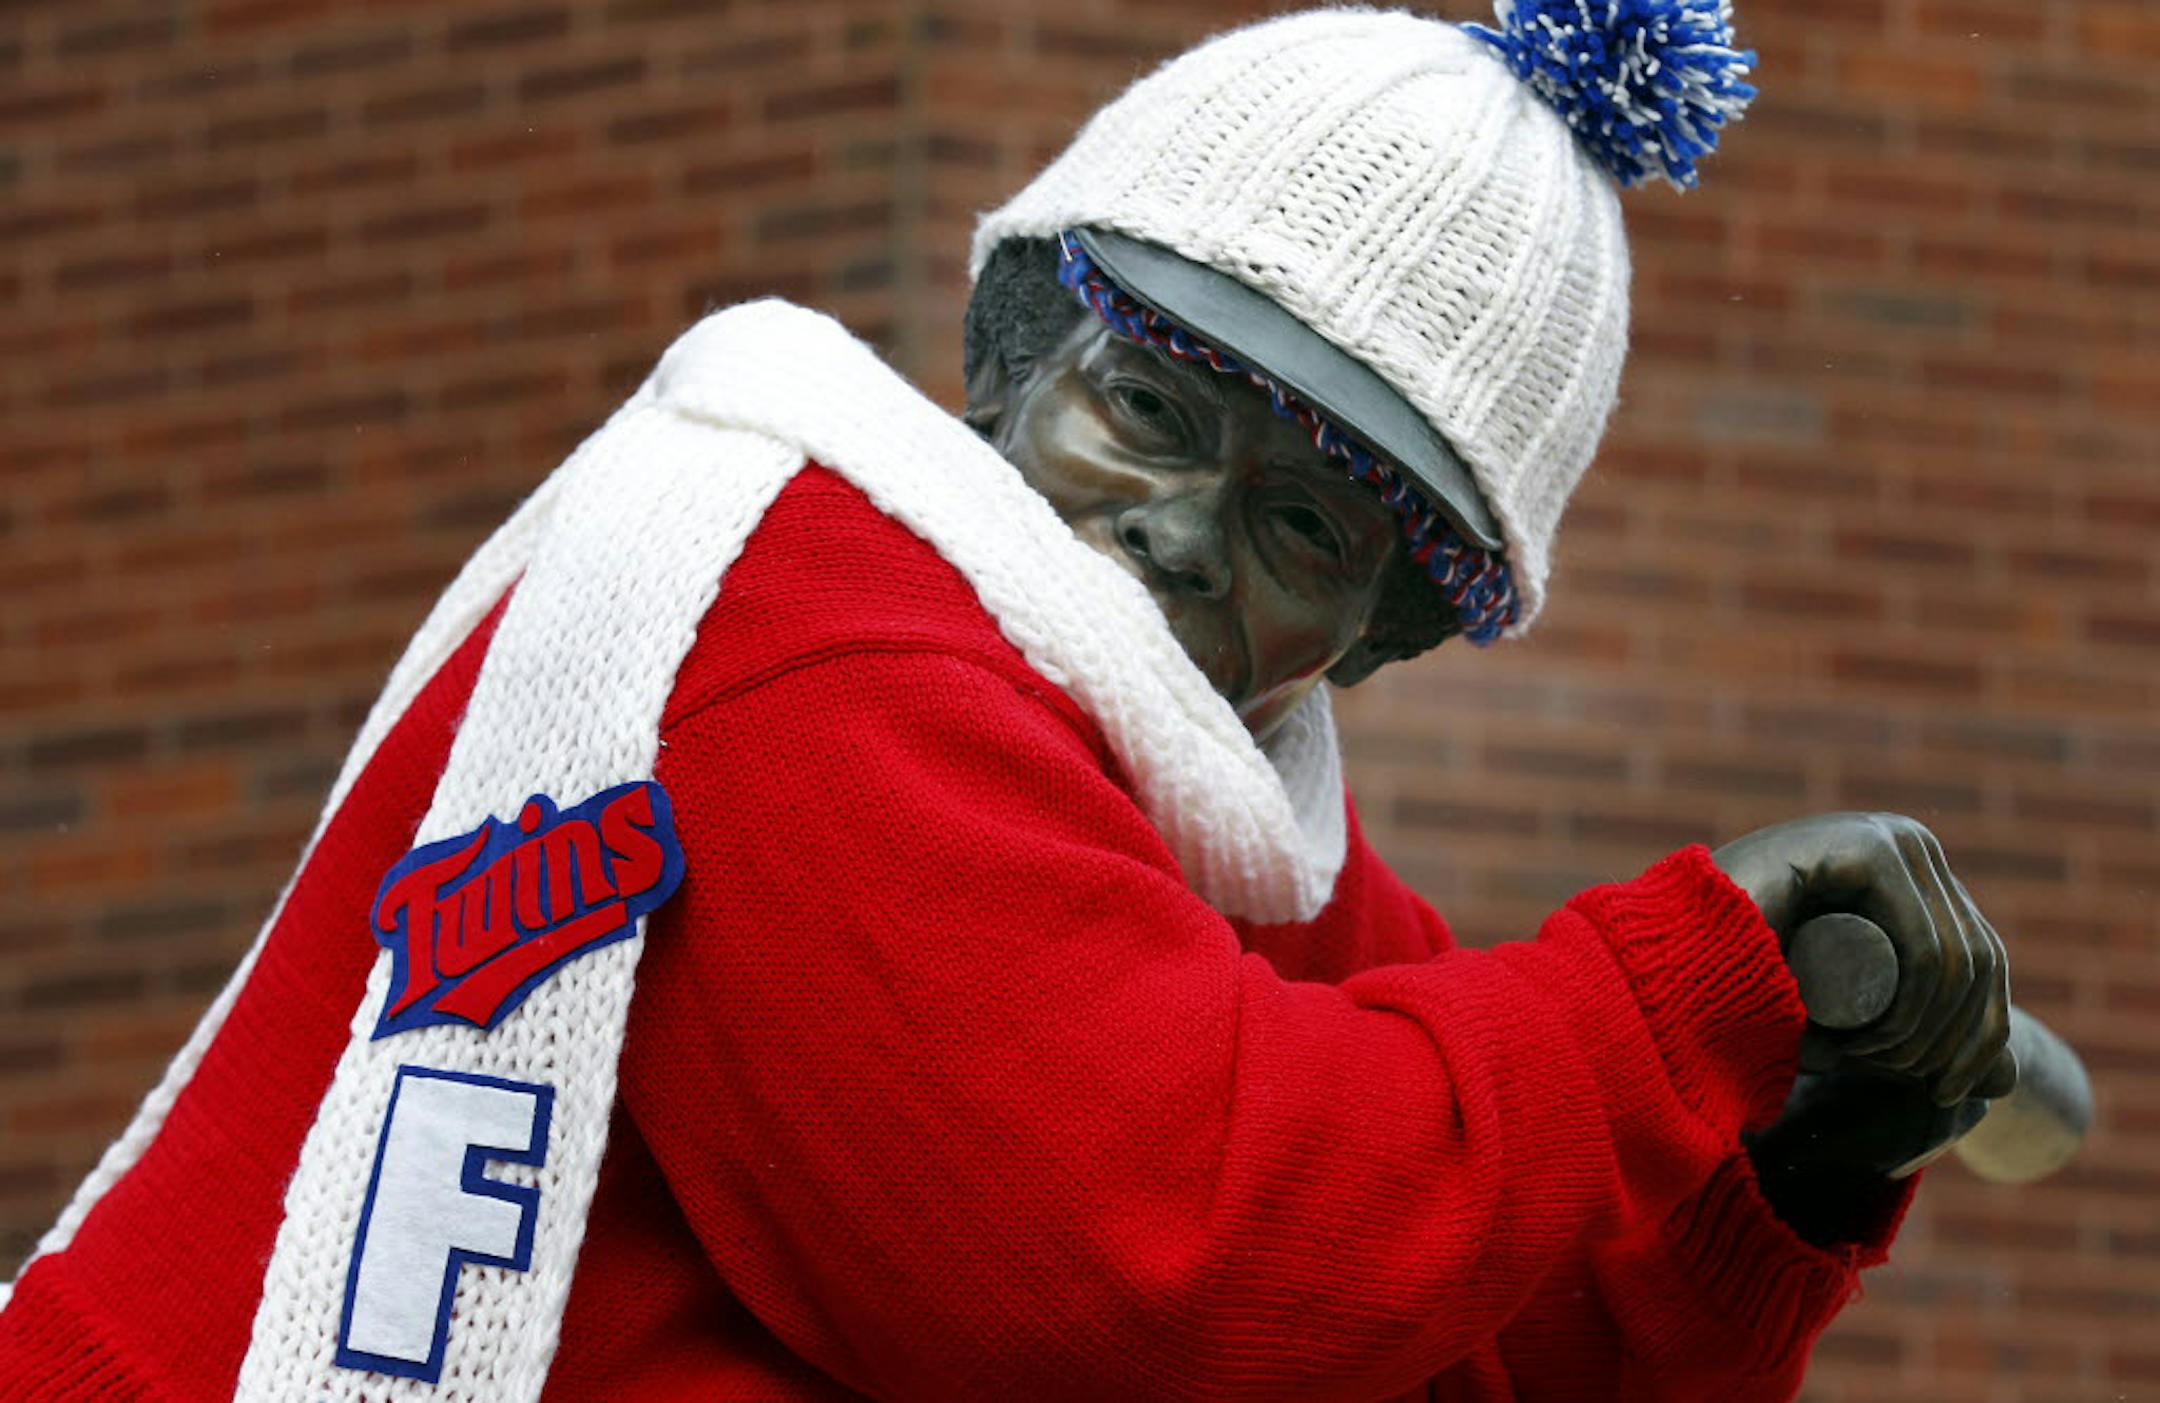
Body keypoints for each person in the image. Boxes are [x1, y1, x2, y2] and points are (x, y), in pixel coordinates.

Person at [0, 5, 2017, 1401]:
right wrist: (1668, 993)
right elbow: (1154, 1266)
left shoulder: (1225, 828)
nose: (1183, 533)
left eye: (1309, 522)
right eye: (1146, 404)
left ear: (1389, 637)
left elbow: (1435, 1343)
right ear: (1003, 347)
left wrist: (1793, 1164)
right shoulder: (810, 614)